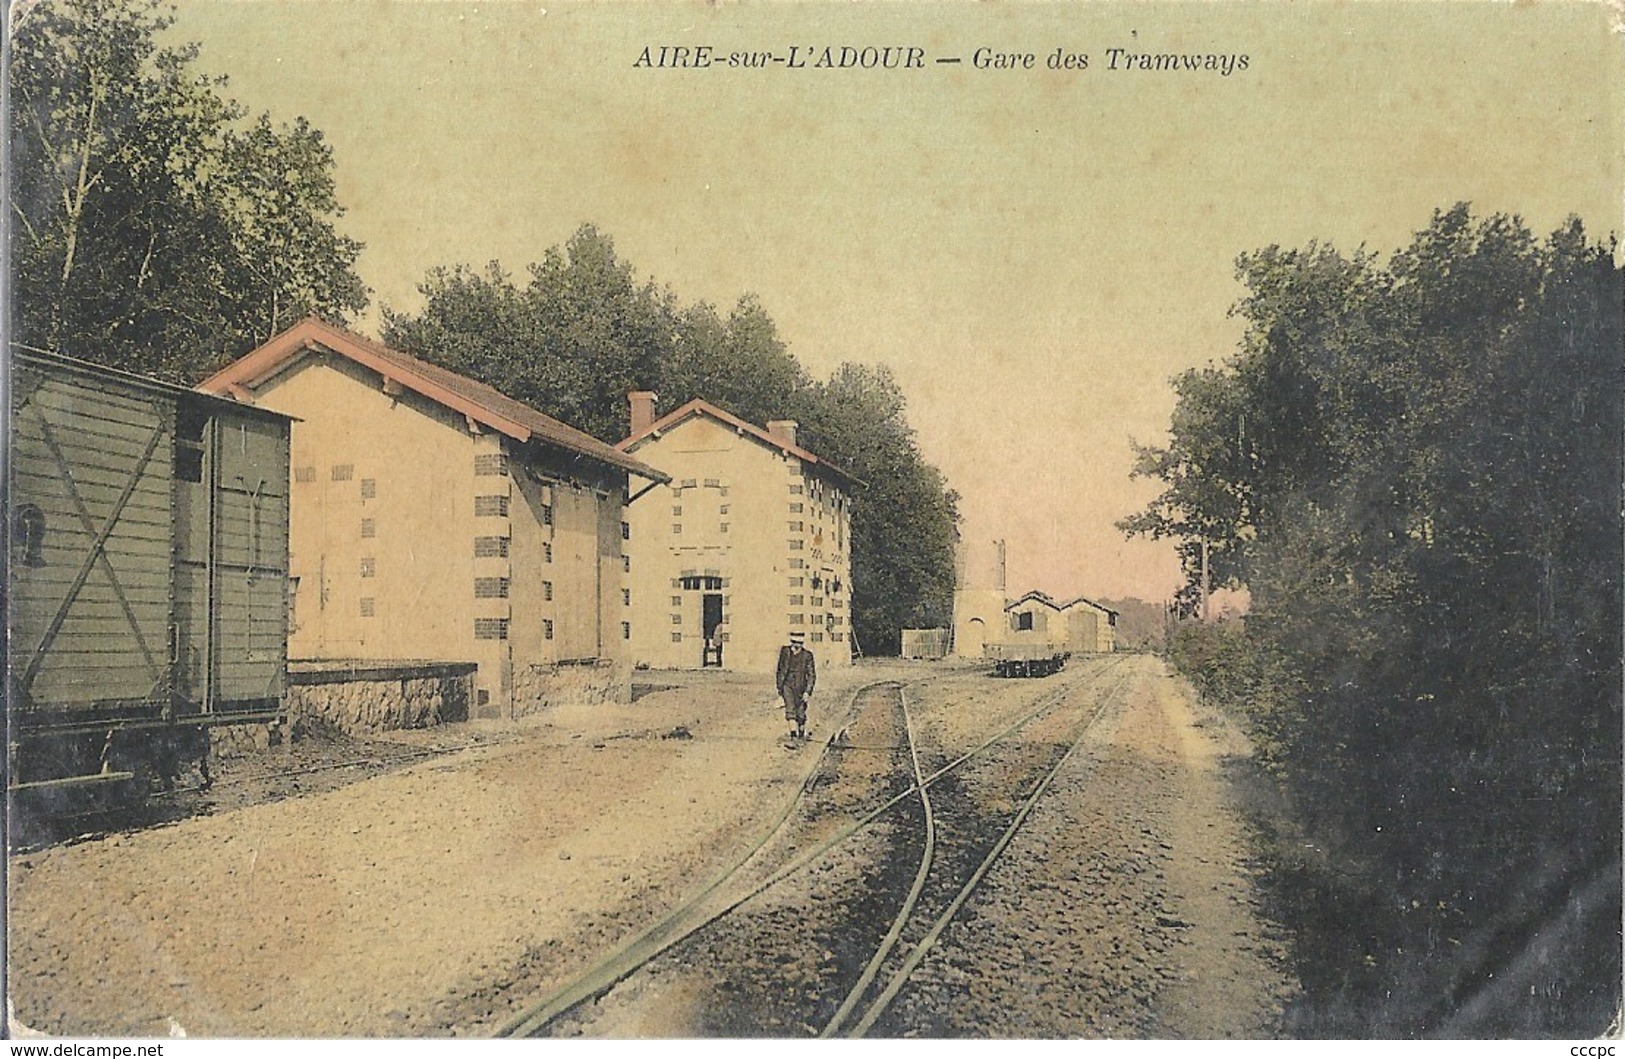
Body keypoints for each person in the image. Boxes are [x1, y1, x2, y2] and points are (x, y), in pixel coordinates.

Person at [776, 631, 816, 742]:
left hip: (801, 686)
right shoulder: (785, 652)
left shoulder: (807, 655)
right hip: (787, 685)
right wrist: (780, 688)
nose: (796, 646)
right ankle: (793, 736)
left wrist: (807, 691)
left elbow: (812, 675)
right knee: (790, 710)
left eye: (799, 643)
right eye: (794, 643)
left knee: (801, 713)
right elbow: (780, 670)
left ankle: (801, 733)